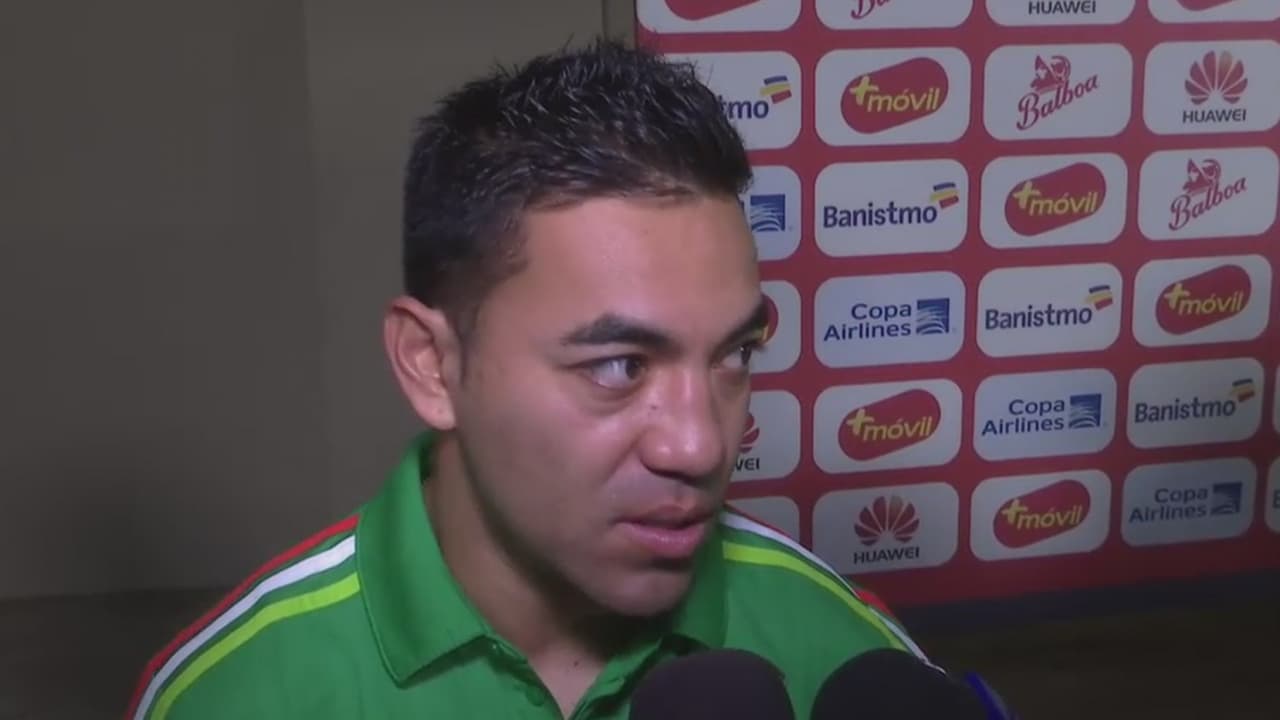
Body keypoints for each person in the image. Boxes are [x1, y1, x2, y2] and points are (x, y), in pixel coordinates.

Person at [126, 39, 930, 720]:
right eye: (619, 366)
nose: (699, 445)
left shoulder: (839, 647)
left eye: (733, 355)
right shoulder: (238, 691)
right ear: (431, 364)